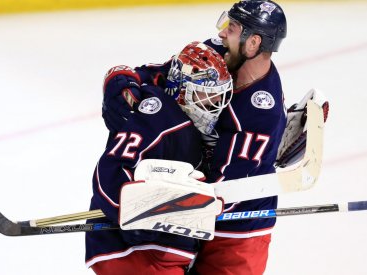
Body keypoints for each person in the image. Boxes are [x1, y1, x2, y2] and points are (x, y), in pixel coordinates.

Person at [101, 1, 288, 274]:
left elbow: (226, 192)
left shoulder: (259, 114)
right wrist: (122, 81)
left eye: (232, 28)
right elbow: (167, 74)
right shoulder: (221, 52)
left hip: (237, 231)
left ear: (253, 43)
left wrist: (153, 207)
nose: (222, 33)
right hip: (192, 216)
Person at [85, 41, 233, 274]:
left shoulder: (191, 125)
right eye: (207, 95)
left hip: (165, 251)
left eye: (218, 96)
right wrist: (144, 213)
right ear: (183, 88)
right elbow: (108, 177)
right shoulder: (158, 118)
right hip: (132, 250)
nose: (215, 104)